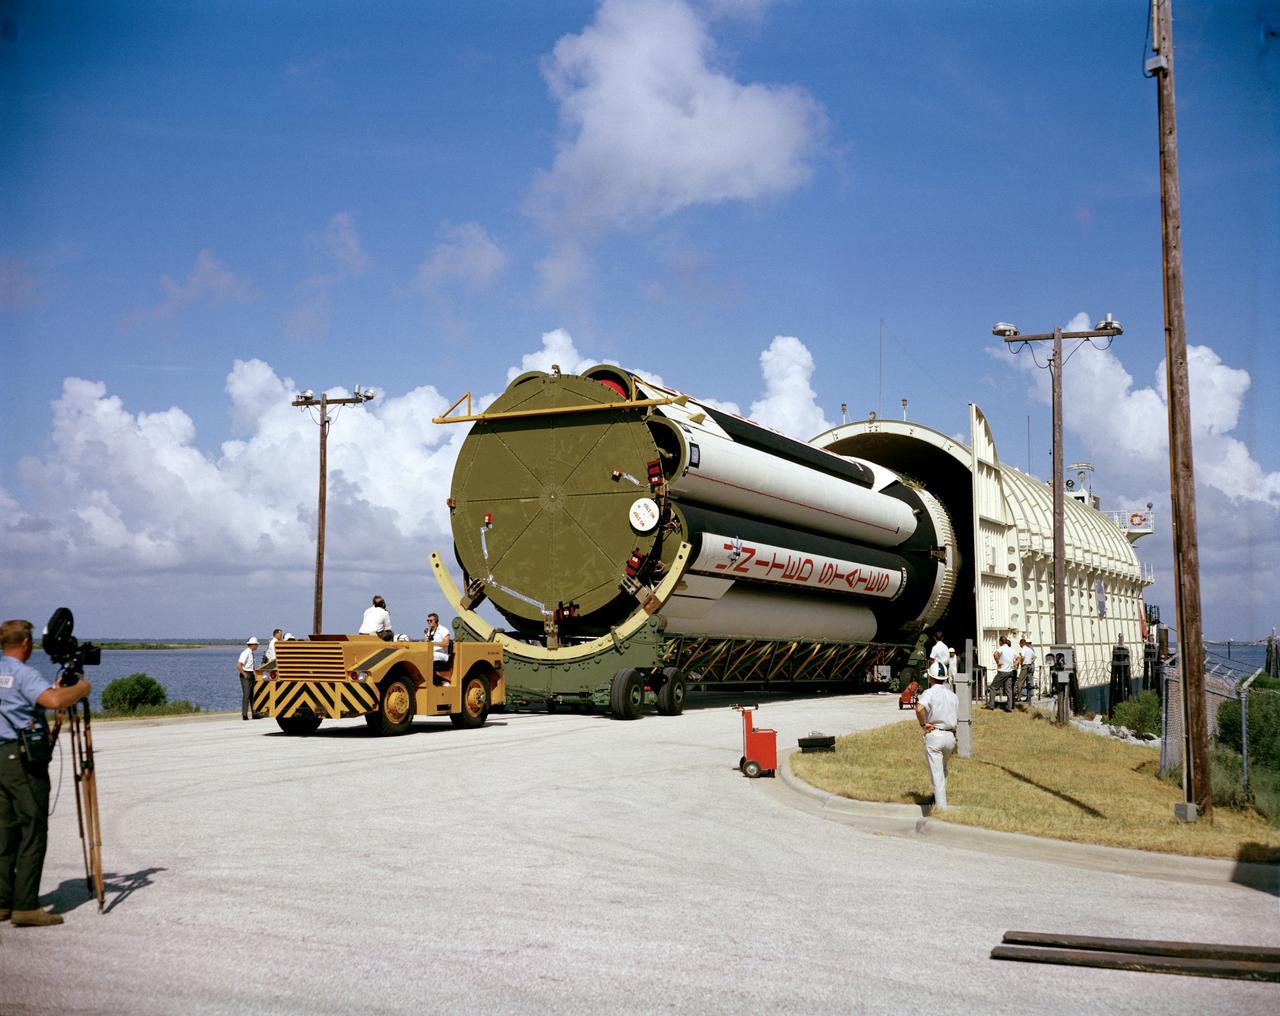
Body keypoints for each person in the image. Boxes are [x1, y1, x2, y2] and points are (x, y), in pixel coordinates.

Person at [1, 618, 93, 927]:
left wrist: (51, 691)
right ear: (26, 644)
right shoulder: (24, 672)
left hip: (1, 756)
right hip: (22, 759)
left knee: (6, 828)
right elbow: (53, 701)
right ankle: (25, 905)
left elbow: (27, 700)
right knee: (33, 828)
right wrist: (80, 688)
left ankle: (3, 900)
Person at [915, 658, 958, 810]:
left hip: (935, 734)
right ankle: (939, 799)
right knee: (943, 768)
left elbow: (919, 708)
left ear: (931, 678)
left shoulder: (929, 692)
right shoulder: (953, 695)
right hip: (950, 737)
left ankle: (941, 808)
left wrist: (923, 724)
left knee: (937, 773)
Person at [989, 636, 1017, 712]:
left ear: (1001, 642)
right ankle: (1009, 707)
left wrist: (998, 662)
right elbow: (1019, 657)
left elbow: (995, 654)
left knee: (993, 687)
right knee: (1008, 690)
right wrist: (1015, 664)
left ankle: (991, 705)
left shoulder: (1002, 648)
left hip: (1002, 671)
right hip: (1010, 672)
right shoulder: (1012, 650)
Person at [237, 637, 259, 720]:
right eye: (256, 645)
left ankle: (254, 713)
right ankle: (245, 715)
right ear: (253, 645)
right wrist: (244, 674)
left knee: (252, 695)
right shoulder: (245, 653)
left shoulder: (251, 653)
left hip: (251, 674)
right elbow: (239, 665)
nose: (257, 646)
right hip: (246, 674)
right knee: (246, 695)